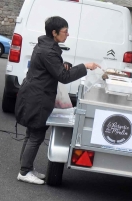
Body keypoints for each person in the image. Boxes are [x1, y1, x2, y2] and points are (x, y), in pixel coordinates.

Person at [15, 16, 100, 185]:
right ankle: (24, 172)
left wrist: (64, 64)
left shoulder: (45, 45)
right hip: (38, 96)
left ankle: (26, 167)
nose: (67, 34)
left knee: (31, 133)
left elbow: (54, 68)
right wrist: (85, 67)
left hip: (34, 93)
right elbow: (64, 76)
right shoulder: (48, 50)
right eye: (65, 31)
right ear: (54, 33)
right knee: (36, 134)